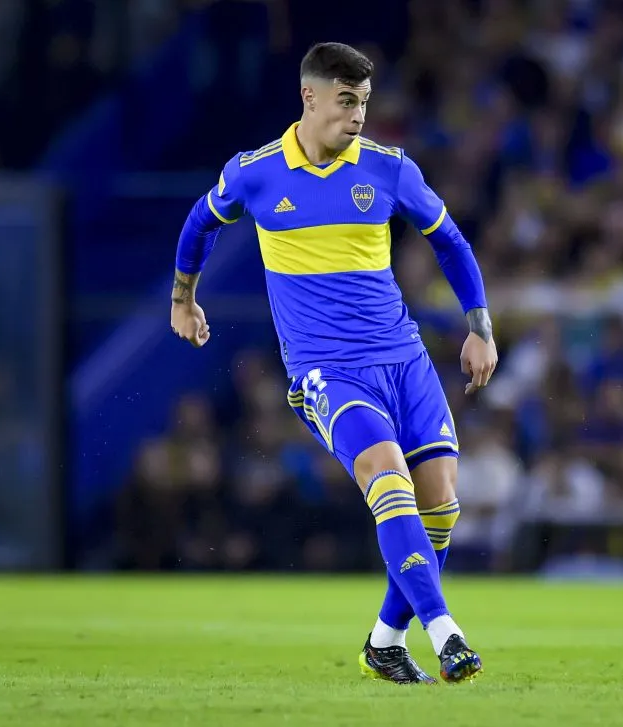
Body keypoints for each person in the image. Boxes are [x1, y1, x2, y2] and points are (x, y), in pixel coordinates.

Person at [170, 42, 496, 684]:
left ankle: (385, 641)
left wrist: (479, 328)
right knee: (389, 480)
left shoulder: (389, 169)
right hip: (327, 370)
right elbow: (199, 223)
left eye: (365, 102)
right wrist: (184, 298)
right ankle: (446, 634)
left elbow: (451, 242)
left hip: (404, 360)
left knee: (440, 506)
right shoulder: (256, 174)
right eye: (347, 101)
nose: (358, 115)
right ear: (309, 97)